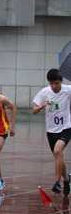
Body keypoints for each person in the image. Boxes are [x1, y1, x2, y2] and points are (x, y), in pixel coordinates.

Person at [33, 68, 71, 196]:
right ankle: (67, 179)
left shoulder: (68, 90)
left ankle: (57, 182)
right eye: (51, 83)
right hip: (51, 130)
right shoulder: (44, 92)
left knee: (57, 151)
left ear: (61, 81)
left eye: (56, 83)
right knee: (58, 157)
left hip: (66, 128)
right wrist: (41, 106)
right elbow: (34, 110)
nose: (54, 86)